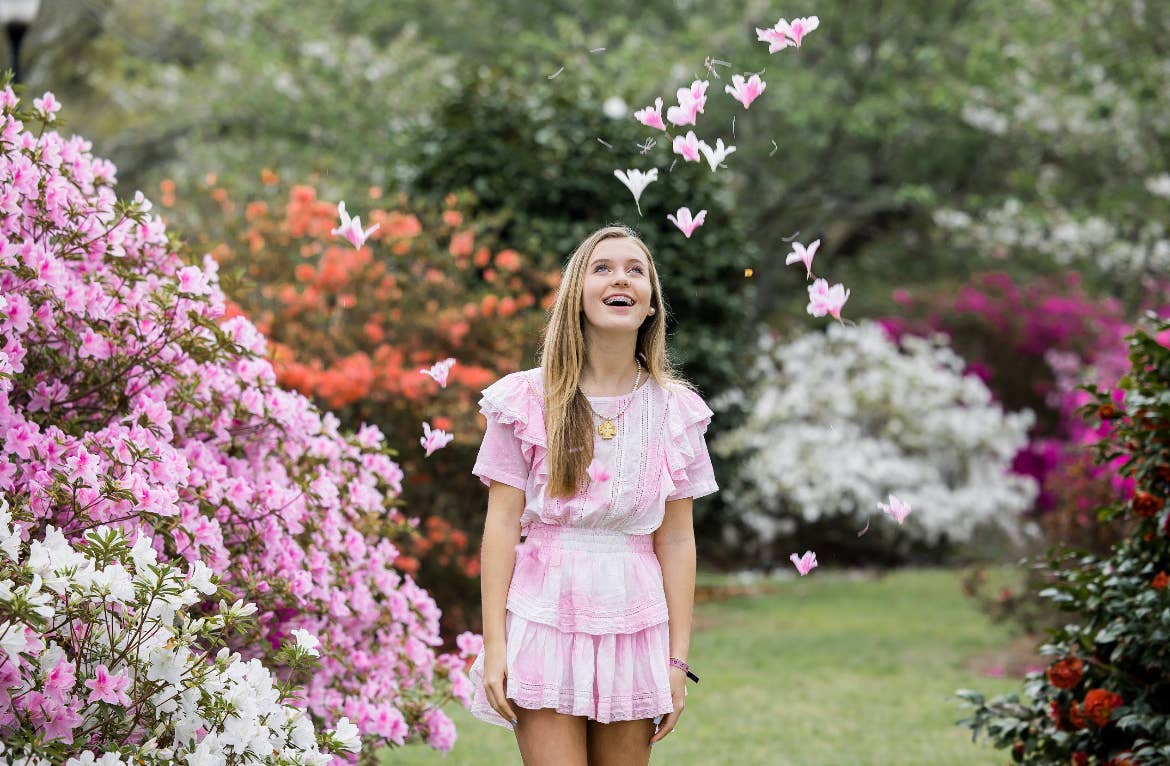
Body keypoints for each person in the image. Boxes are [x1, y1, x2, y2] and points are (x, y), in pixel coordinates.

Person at [466, 224, 719, 765]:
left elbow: (676, 541)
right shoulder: (527, 399)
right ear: (576, 294)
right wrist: (495, 648)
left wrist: (676, 663)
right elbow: (501, 526)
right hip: (544, 615)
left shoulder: (677, 412)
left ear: (651, 303)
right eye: (602, 267)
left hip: (635, 622)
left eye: (635, 269)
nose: (620, 278)